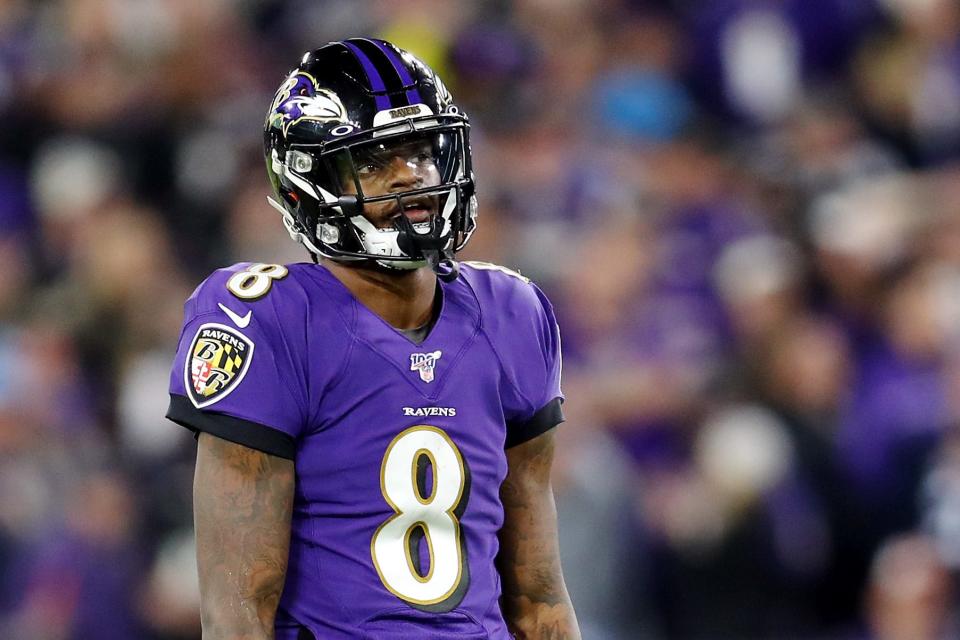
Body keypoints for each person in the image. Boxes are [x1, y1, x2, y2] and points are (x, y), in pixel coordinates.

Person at [165, 38, 580, 639]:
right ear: (308, 184)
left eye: (419, 152)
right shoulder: (272, 318)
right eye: (373, 161)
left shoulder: (511, 312)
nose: (411, 177)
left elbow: (540, 597)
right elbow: (238, 609)